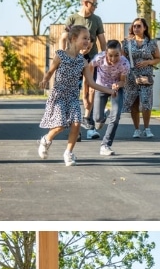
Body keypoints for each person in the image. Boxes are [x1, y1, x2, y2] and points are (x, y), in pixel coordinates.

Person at [38, 25, 114, 166]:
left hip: (73, 96)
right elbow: (50, 71)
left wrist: (109, 90)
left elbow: (91, 82)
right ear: (73, 38)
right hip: (59, 95)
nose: (87, 41)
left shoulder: (83, 62)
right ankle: (46, 140)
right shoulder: (60, 55)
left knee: (77, 124)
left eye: (89, 39)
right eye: (84, 38)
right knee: (60, 125)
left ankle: (68, 153)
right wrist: (45, 80)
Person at [60, 0, 107, 134]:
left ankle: (87, 118)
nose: (96, 7)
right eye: (94, 4)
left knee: (91, 89)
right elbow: (63, 39)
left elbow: (102, 42)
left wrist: (105, 59)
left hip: (91, 60)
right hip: (74, 59)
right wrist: (64, 57)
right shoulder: (72, 19)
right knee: (75, 90)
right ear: (86, 3)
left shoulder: (97, 20)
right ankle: (76, 125)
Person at [122, 17, 160, 138]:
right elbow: (123, 60)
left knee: (146, 102)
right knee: (134, 103)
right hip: (131, 76)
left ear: (145, 28)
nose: (136, 28)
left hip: (146, 76)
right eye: (134, 26)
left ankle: (147, 128)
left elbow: (158, 59)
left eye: (139, 26)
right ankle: (137, 129)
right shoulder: (126, 42)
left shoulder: (151, 43)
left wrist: (147, 62)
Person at [90, 40, 130, 157]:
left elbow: (123, 81)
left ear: (121, 53)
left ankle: (105, 145)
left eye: (116, 55)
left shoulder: (124, 63)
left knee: (116, 116)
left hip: (116, 89)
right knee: (97, 118)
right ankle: (103, 116)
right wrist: (91, 85)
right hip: (101, 87)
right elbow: (89, 68)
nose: (113, 59)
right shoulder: (99, 58)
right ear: (106, 53)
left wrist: (118, 84)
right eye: (110, 55)